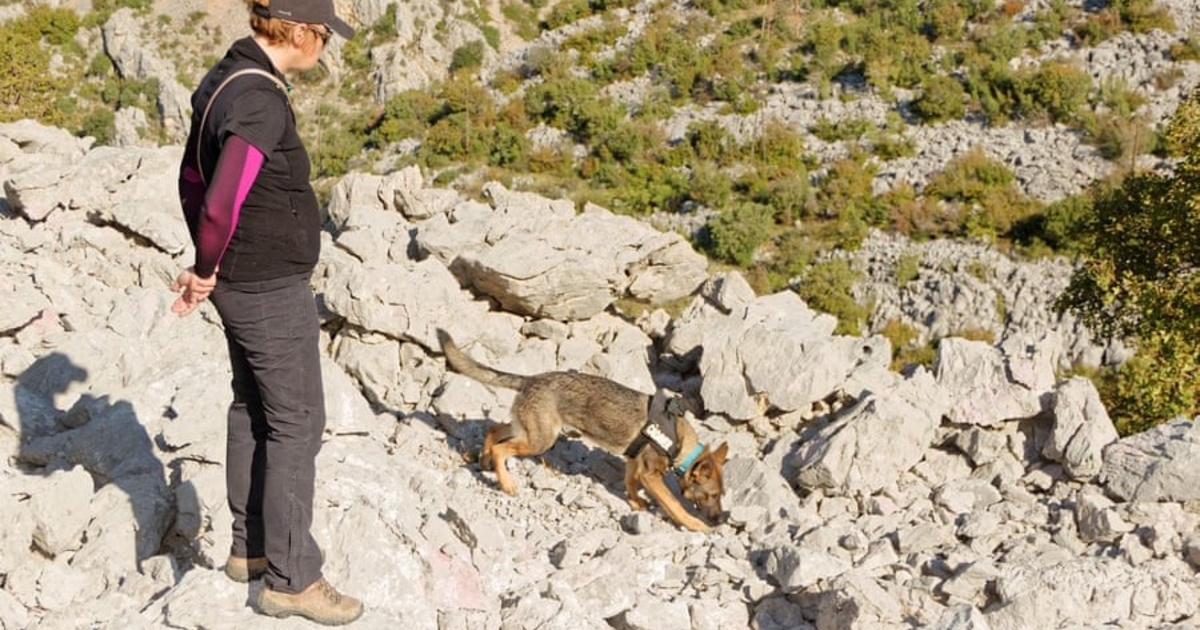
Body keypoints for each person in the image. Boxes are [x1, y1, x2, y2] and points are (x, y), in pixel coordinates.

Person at [169, 0, 362, 624]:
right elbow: (222, 197)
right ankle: (292, 579)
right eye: (327, 37)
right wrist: (204, 266)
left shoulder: (229, 74)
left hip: (242, 280)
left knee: (253, 405)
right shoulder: (259, 99)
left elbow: (192, 179)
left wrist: (211, 267)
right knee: (298, 420)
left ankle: (249, 549)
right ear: (303, 31)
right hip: (266, 287)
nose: (327, 49)